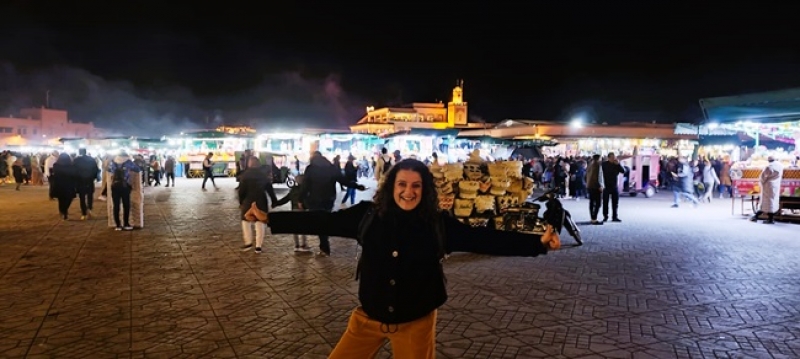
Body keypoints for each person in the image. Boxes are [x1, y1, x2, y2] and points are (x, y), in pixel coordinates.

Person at [256, 159, 558, 357]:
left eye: (416, 186)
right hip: (368, 320)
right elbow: (323, 221)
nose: (408, 192)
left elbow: (486, 240)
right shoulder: (368, 217)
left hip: (416, 324)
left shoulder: (439, 225)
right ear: (392, 187)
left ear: (424, 190)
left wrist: (537, 244)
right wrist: (271, 219)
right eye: (402, 185)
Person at [299, 151, 365, 256]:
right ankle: (324, 245)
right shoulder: (331, 168)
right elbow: (343, 181)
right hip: (329, 199)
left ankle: (324, 247)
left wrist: (300, 199)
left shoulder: (310, 169)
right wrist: (357, 186)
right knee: (324, 220)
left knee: (319, 223)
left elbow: (305, 186)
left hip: (315, 200)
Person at [238, 156, 271, 253]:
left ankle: (248, 242)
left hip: (248, 202)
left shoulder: (245, 175)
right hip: (261, 201)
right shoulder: (263, 175)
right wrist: (274, 200)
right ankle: (258, 246)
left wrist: (241, 201)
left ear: (249, 164)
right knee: (260, 223)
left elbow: (241, 191)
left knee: (245, 221)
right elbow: (269, 188)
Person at [272, 174, 312, 252]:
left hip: (294, 209)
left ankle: (296, 245)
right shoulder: (305, 190)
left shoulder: (293, 189)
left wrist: (276, 203)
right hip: (302, 210)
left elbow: (286, 199)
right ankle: (303, 245)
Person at [109, 151, 140, 230]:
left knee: (116, 206)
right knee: (126, 205)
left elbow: (109, 171)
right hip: (125, 186)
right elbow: (137, 169)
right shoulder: (128, 162)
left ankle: (118, 225)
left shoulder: (113, 162)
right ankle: (126, 224)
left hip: (115, 186)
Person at [750, 156, 784, 224]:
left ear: (769, 161)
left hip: (768, 186)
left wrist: (761, 182)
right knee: (772, 201)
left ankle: (758, 216)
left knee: (766, 202)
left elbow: (763, 177)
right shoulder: (780, 165)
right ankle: (765, 217)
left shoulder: (769, 167)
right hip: (776, 185)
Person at [73, 148, 100, 220]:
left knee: (82, 197)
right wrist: (94, 178)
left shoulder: (76, 160)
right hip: (89, 180)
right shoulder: (91, 159)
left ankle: (83, 213)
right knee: (90, 195)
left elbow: (74, 171)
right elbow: (96, 170)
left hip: (80, 181)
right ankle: (90, 209)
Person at [600, 152, 625, 222]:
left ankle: (615, 217)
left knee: (615, 203)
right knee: (605, 202)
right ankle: (605, 216)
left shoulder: (616, 164)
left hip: (614, 186)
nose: (614, 158)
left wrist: (618, 164)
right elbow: (600, 174)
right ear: (609, 158)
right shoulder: (604, 164)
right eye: (612, 157)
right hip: (606, 186)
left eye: (614, 157)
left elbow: (623, 171)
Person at [52, 153, 77, 220]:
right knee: (68, 199)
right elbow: (74, 175)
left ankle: (63, 211)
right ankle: (64, 211)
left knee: (61, 200)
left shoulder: (56, 165)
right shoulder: (71, 166)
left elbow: (54, 174)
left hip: (59, 185)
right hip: (69, 185)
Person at [585, 154, 605, 225]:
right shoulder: (597, 165)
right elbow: (596, 176)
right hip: (595, 186)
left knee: (592, 202)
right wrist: (599, 186)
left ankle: (592, 218)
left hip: (590, 186)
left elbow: (586, 176)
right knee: (598, 203)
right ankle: (594, 218)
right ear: (599, 158)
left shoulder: (590, 165)